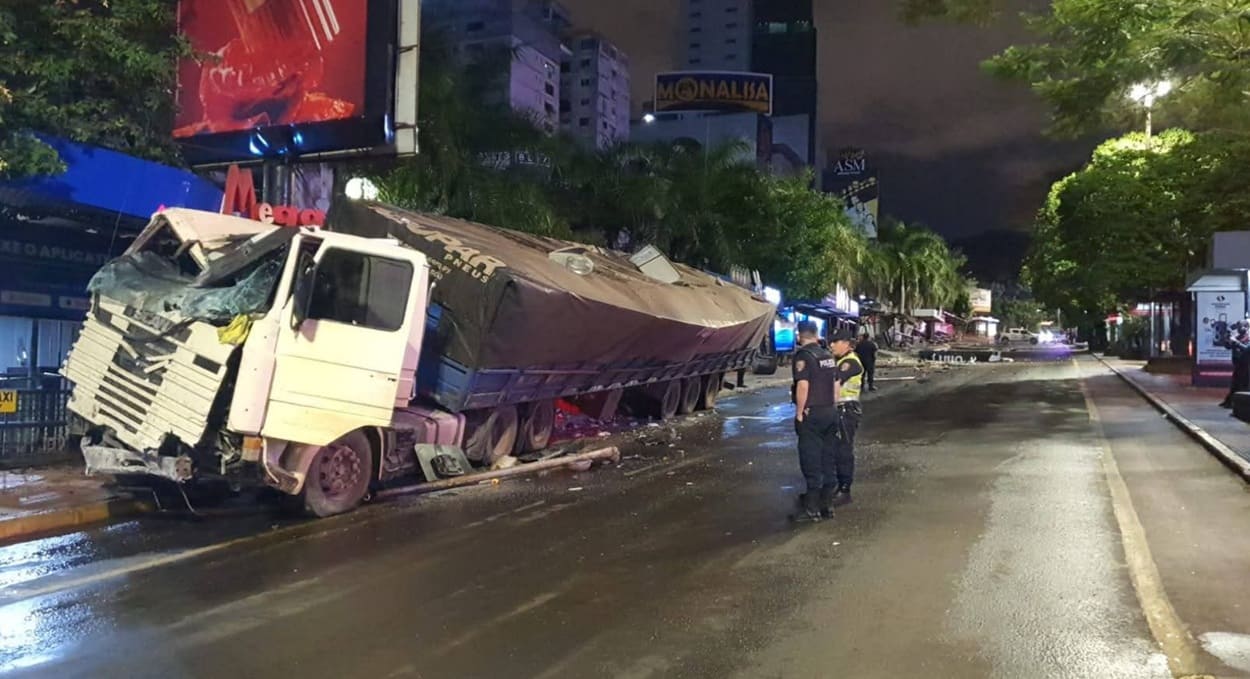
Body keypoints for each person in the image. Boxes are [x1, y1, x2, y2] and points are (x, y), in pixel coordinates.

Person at [790, 320, 840, 522]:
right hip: (830, 411)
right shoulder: (827, 355)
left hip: (813, 413)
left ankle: (811, 509)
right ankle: (827, 505)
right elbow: (836, 385)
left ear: (799, 335)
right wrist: (833, 405)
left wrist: (800, 413)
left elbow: (803, 385)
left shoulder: (804, 356)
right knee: (828, 458)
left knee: (811, 459)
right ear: (816, 333)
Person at [829, 327, 864, 507]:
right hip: (841, 409)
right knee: (836, 450)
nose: (831, 345)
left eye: (835, 342)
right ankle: (838, 485)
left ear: (846, 343)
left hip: (846, 410)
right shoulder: (841, 360)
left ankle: (844, 489)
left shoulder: (849, 362)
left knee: (843, 450)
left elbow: (835, 382)